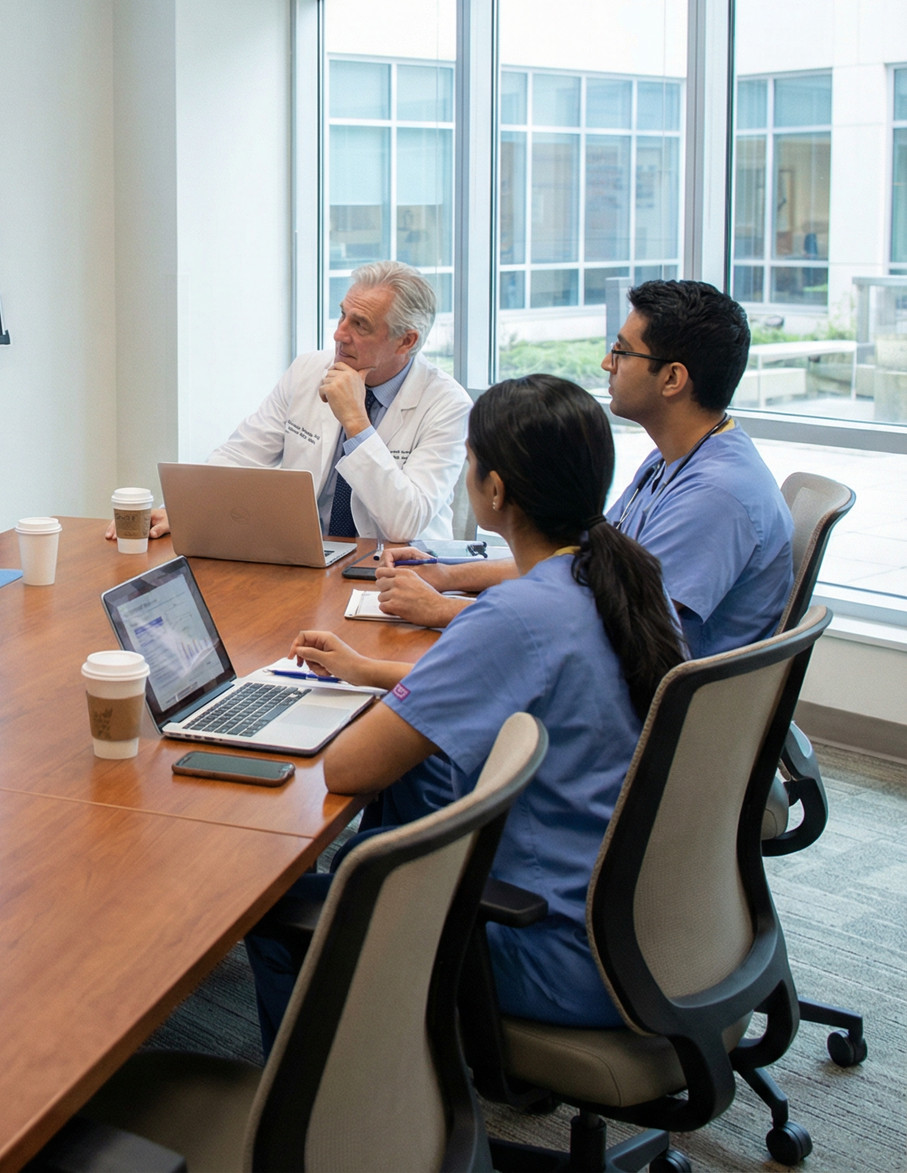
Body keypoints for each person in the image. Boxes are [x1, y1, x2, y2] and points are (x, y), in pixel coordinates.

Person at [245, 375, 684, 1051]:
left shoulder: (514, 614)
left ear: (497, 489)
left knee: (279, 907)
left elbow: (347, 768)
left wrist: (367, 698)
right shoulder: (618, 579)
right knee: (397, 808)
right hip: (638, 924)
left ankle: (324, 1127)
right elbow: (528, 680)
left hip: (551, 948)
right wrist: (372, 672)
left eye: (474, 461)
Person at [373, 280, 794, 659]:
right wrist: (445, 575)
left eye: (622, 351)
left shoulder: (716, 495)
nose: (606, 363)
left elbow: (607, 623)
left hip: (637, 706)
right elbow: (582, 563)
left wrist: (443, 610)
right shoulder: (675, 459)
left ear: (672, 379)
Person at [108, 260, 470, 546]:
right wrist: (184, 511)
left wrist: (357, 423)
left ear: (406, 342)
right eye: (343, 314)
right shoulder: (308, 370)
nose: (339, 334)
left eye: (360, 325)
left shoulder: (447, 406)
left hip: (394, 575)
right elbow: (242, 456)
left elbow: (403, 523)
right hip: (307, 559)